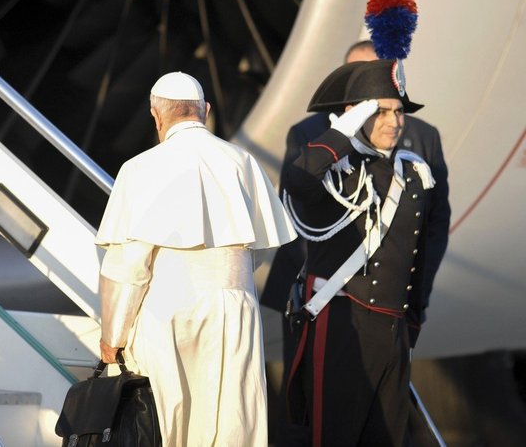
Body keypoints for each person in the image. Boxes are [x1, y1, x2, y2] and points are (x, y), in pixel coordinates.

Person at [94, 71, 297, 446]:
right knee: (232, 420)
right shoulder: (243, 162)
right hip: (236, 306)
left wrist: (113, 336)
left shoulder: (140, 168)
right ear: (205, 110)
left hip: (168, 309)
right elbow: (264, 245)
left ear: (157, 116)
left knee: (169, 421)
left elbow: (130, 267)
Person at [280, 58, 438, 446]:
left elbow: (416, 256)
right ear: (356, 115)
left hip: (393, 329)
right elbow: (298, 180)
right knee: (334, 437)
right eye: (380, 111)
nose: (394, 121)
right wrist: (344, 131)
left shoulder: (414, 173)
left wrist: (411, 323)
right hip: (342, 326)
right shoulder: (337, 170)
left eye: (399, 112)